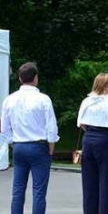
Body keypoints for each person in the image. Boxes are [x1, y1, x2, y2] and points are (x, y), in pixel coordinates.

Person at [1, 62, 59, 214]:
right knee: (39, 190)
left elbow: (4, 128)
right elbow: (51, 126)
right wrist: (51, 146)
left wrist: (12, 142)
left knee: (18, 189)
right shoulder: (43, 99)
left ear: (20, 79)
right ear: (36, 78)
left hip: (19, 146)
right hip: (39, 145)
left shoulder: (9, 99)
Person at [77, 73, 108, 214]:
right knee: (106, 180)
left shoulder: (87, 101)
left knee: (89, 181)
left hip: (89, 137)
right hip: (105, 138)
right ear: (105, 86)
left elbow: (81, 123)